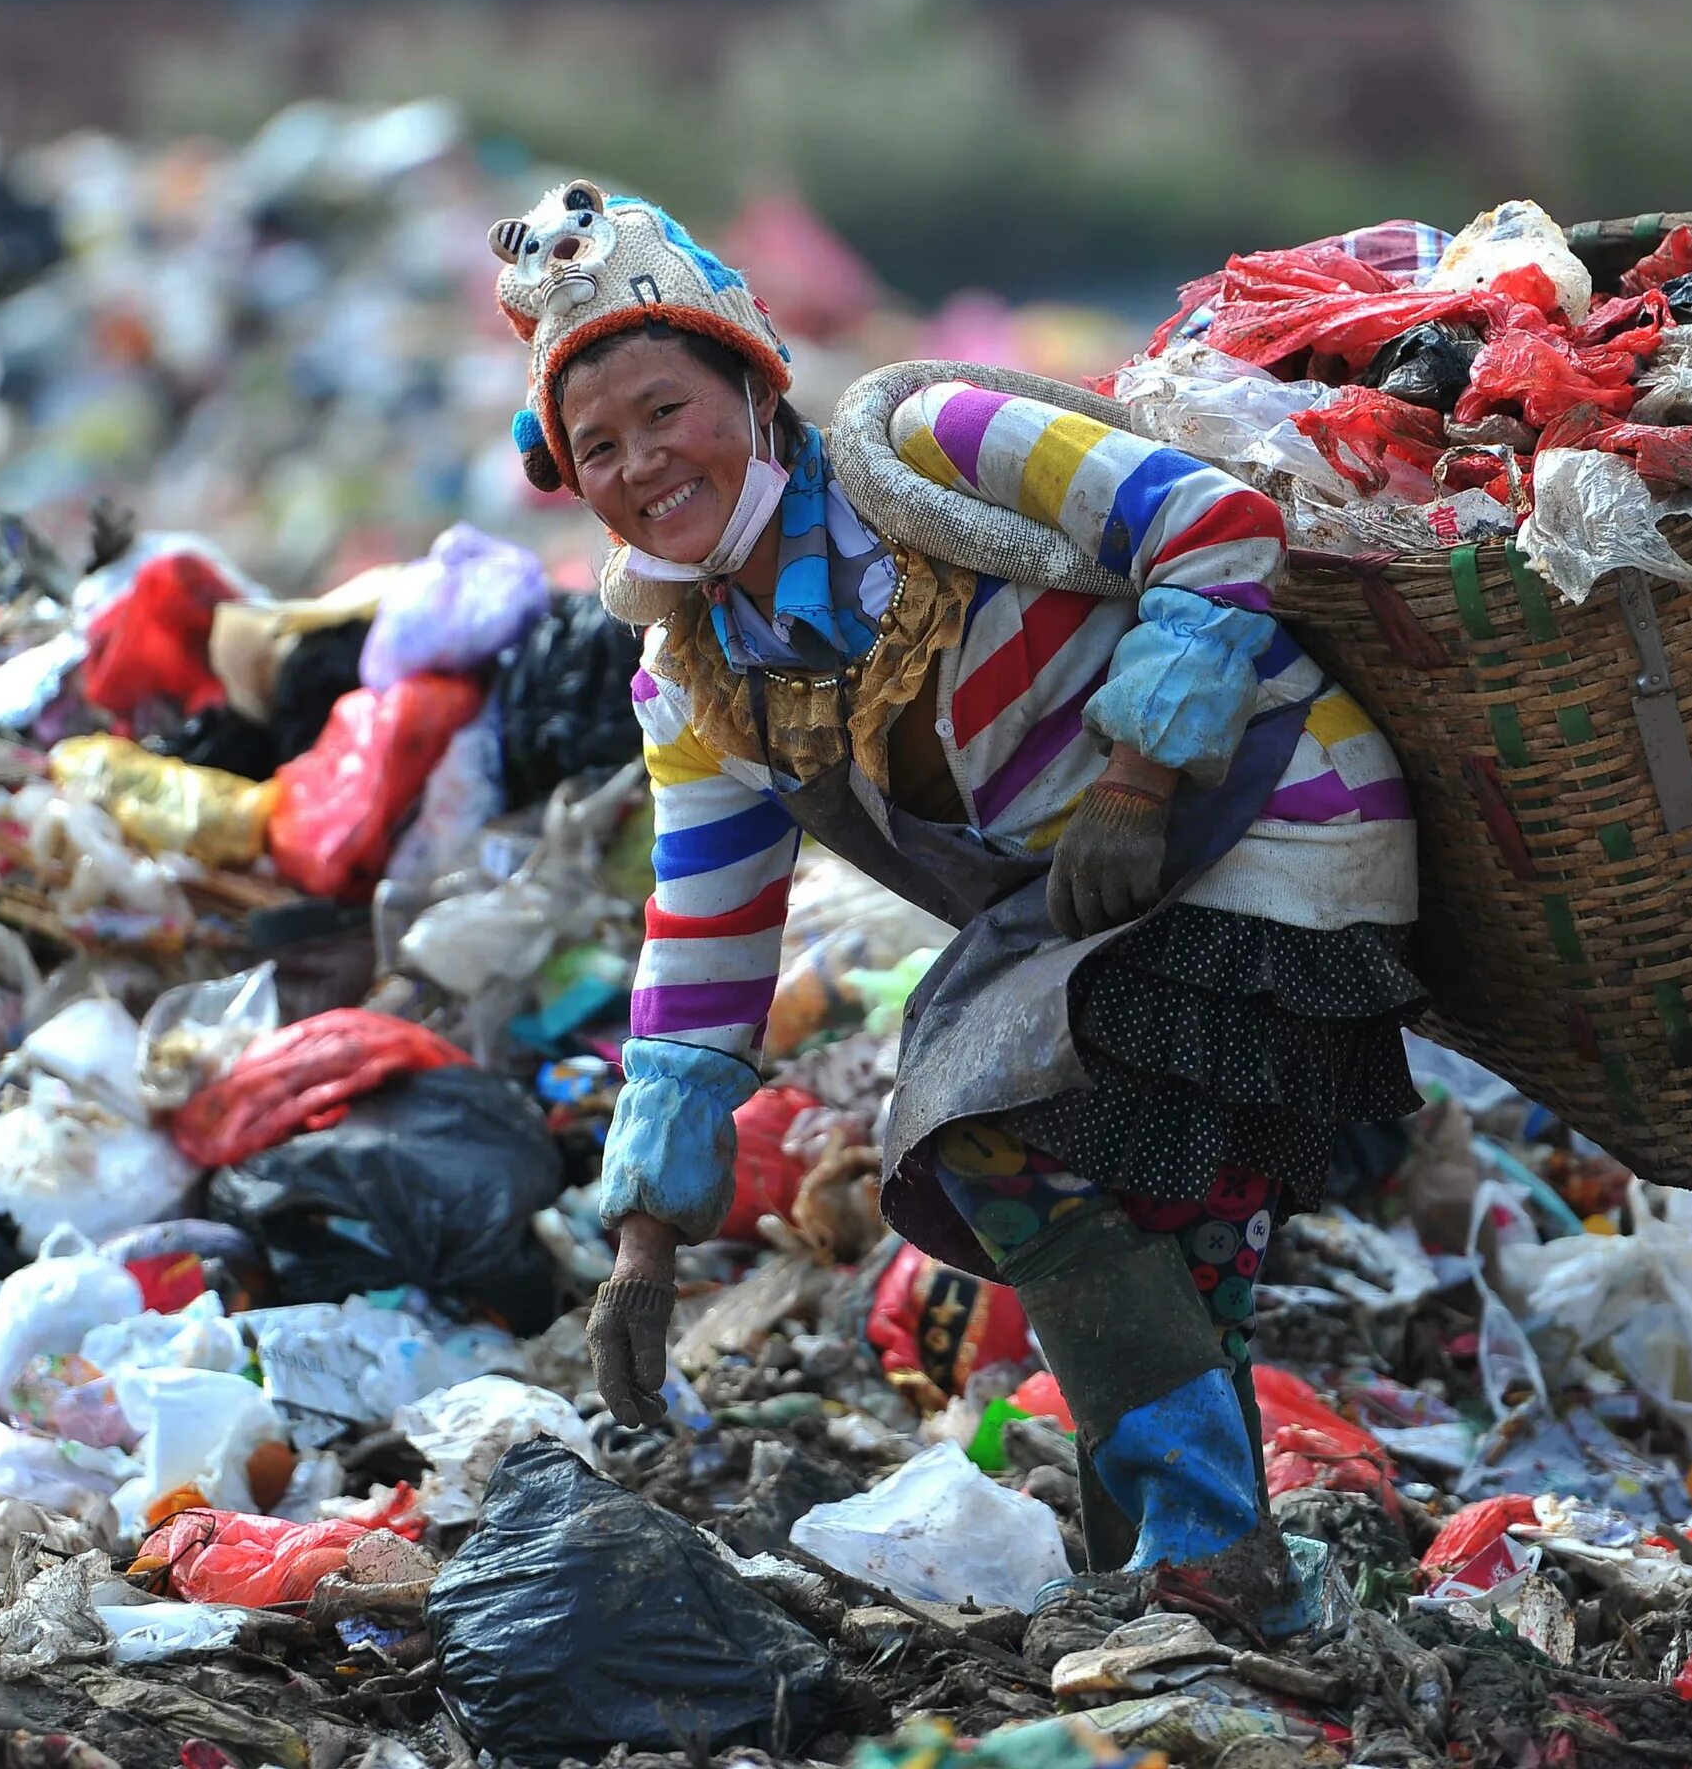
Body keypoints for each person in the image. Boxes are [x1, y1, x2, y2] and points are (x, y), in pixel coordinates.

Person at [491, 180, 1423, 1613]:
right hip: (1099, 909)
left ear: (751, 377)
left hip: (1275, 823)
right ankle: (1200, 1588)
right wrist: (646, 1230)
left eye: (665, 410)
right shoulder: (694, 671)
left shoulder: (927, 448)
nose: (641, 465)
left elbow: (1215, 524)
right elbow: (708, 926)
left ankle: (1208, 1559)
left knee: (996, 1136)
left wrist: (1138, 772)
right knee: (1174, 1232)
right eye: (597, 446)